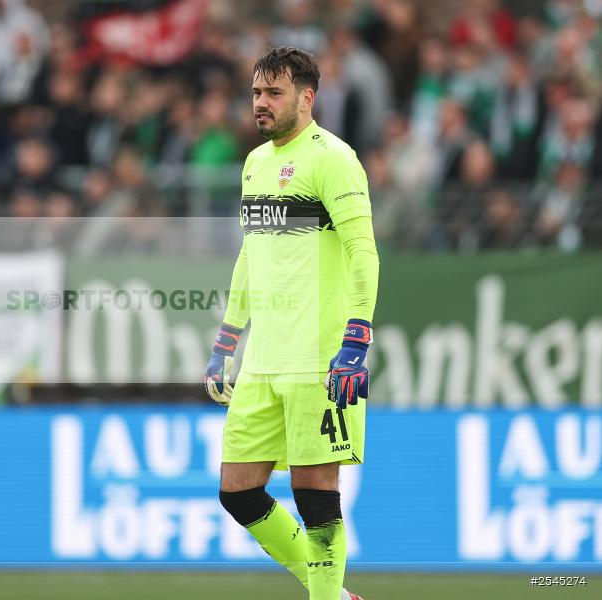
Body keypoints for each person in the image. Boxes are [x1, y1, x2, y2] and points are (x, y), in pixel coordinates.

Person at [204, 47, 379, 600]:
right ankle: (333, 593)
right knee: (237, 491)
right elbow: (250, 253)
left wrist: (357, 337)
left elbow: (363, 250)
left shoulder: (334, 159)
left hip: (319, 357)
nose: (261, 102)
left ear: (307, 97)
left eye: (273, 93)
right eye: (256, 92)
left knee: (316, 494)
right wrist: (227, 339)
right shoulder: (255, 163)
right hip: (264, 360)